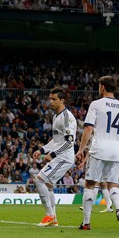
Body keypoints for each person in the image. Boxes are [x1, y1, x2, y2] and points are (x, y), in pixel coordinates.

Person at [75, 75, 119, 231]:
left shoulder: (96, 104)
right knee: (112, 184)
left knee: (90, 183)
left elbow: (88, 128)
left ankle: (86, 223)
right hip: (115, 151)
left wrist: (81, 150)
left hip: (99, 149)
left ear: (102, 86)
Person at [32, 88, 77, 227]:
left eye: (54, 99)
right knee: (48, 185)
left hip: (64, 157)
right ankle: (54, 219)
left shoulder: (67, 117)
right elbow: (56, 140)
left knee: (38, 180)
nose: (50, 101)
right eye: (50, 99)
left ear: (62, 100)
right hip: (60, 155)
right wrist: (43, 150)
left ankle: (49, 215)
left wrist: (52, 154)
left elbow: (69, 142)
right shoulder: (55, 116)